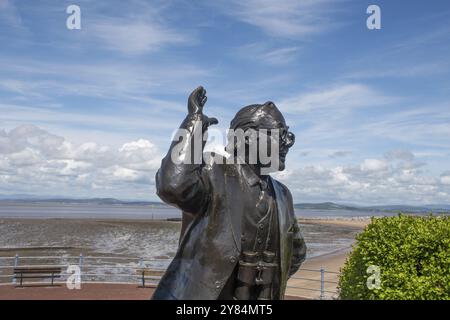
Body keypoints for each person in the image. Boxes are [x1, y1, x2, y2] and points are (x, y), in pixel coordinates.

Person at [152, 86, 306, 300]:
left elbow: (296, 252)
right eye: (280, 133)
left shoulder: (282, 194)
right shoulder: (213, 171)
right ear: (247, 137)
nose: (288, 142)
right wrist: (194, 125)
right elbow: (172, 185)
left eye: (289, 135)